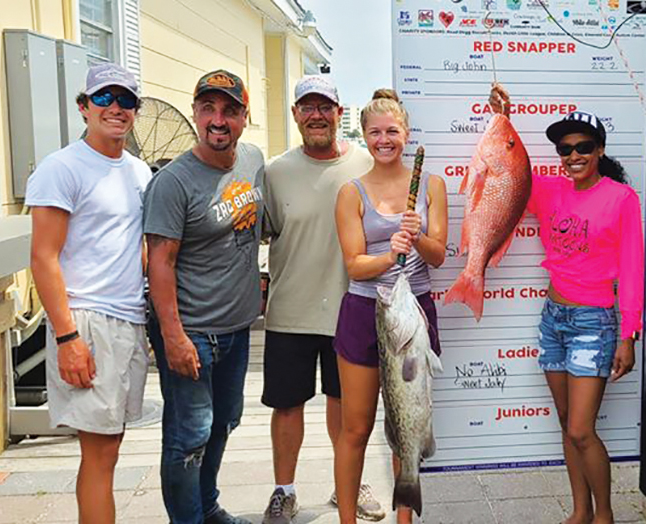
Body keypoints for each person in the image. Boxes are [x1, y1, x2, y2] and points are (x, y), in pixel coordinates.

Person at [491, 85, 645, 524]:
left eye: (583, 147)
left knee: (581, 429)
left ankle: (605, 515)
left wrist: (629, 334)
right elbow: (508, 172)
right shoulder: (548, 191)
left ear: (599, 150)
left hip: (594, 322)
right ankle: (580, 511)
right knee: (565, 421)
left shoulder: (621, 198)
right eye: (565, 149)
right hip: (553, 318)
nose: (573, 155)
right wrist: (503, 118)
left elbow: (633, 269)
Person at [28, 62, 151, 524]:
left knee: (110, 445)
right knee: (98, 453)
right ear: (84, 107)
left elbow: (137, 247)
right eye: (104, 98)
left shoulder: (138, 171)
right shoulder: (61, 168)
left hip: (128, 320)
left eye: (126, 100)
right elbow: (43, 257)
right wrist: (67, 338)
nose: (115, 108)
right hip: (85, 321)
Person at [260, 75, 385, 524]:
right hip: (289, 311)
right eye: (308, 107)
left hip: (351, 310)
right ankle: (284, 491)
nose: (316, 115)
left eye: (325, 107)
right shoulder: (274, 172)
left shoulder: (366, 164)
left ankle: (348, 484)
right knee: (286, 406)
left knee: (347, 408)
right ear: (296, 114)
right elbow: (263, 231)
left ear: (339, 113)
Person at [142, 69, 264, 524]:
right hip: (192, 331)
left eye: (230, 110)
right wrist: (173, 337)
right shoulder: (173, 182)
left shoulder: (252, 160)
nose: (218, 119)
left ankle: (207, 506)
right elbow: (160, 262)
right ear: (194, 113)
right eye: (208, 108)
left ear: (244, 117)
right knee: (188, 435)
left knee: (223, 423)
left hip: (237, 326)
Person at [333, 89, 448, 524]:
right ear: (364, 136)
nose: (384, 140)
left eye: (392, 131)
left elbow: (438, 256)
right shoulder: (351, 193)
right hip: (365, 312)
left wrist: (417, 237)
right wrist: (389, 255)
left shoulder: (431, 185)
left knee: (406, 425)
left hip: (414, 310)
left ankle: (405, 520)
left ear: (407, 133)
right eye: (375, 132)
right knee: (356, 427)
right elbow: (354, 265)